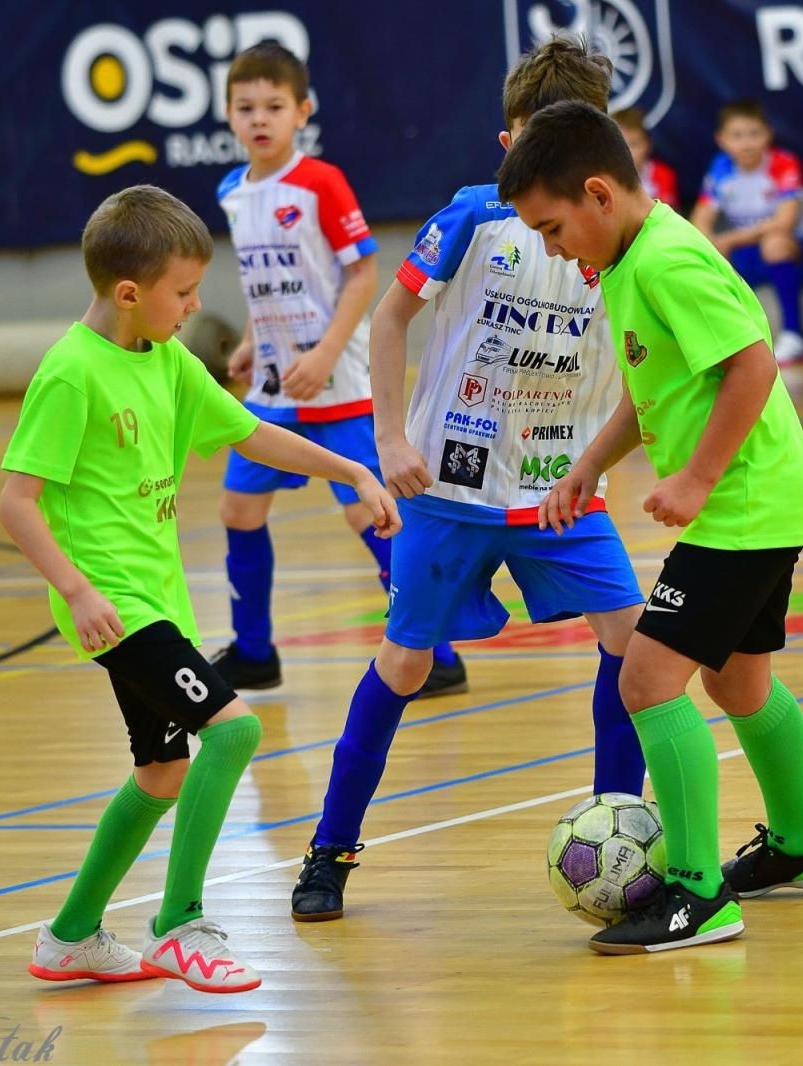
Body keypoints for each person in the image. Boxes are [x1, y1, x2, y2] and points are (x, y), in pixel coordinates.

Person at [0, 185, 400, 991]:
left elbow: (253, 433)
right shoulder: (72, 374)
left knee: (161, 771)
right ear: (128, 294)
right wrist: (77, 592)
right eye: (182, 293)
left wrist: (353, 469)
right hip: (115, 604)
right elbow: (16, 503)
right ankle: (179, 922)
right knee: (234, 731)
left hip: (157, 599)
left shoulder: (169, 360)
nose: (194, 308)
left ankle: (70, 937)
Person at [289, 36, 648, 923]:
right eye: (531, 138)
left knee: (635, 643)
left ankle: (620, 831)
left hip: (560, 489)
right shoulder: (472, 220)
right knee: (406, 661)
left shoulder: (625, 236)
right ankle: (331, 847)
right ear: (507, 143)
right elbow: (388, 321)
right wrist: (388, 438)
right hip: (450, 489)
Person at [499, 101, 803, 954]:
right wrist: (590, 463)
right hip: (761, 499)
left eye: (552, 229)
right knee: (738, 685)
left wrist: (697, 477)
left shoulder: (666, 260)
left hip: (743, 505)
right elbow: (652, 386)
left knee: (648, 680)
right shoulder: (626, 260)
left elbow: (751, 364)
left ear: (598, 194)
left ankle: (697, 895)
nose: (553, 249)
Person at [212, 43, 464, 697]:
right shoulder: (232, 191)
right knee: (238, 509)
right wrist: (253, 340)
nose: (259, 118)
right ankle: (254, 651)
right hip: (274, 386)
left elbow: (361, 273)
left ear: (303, 112)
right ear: (228, 114)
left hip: (339, 384)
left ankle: (434, 653)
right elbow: (267, 284)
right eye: (246, 107)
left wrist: (325, 351)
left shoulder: (321, 182)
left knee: (369, 513)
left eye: (274, 106)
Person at [689, 100, 803, 364]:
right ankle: (722, 341)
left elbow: (784, 222)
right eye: (737, 136)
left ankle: (793, 334)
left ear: (769, 134)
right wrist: (709, 244)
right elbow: (701, 218)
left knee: (775, 243)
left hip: (797, 251)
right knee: (707, 253)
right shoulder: (721, 168)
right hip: (748, 252)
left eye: (754, 134)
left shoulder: (783, 163)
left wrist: (730, 239)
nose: (746, 143)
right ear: (721, 139)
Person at [611, 107, 679, 209]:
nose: (625, 153)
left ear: (647, 144)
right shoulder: (601, 179)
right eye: (618, 145)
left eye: (633, 144)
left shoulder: (663, 175)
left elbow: (667, 214)